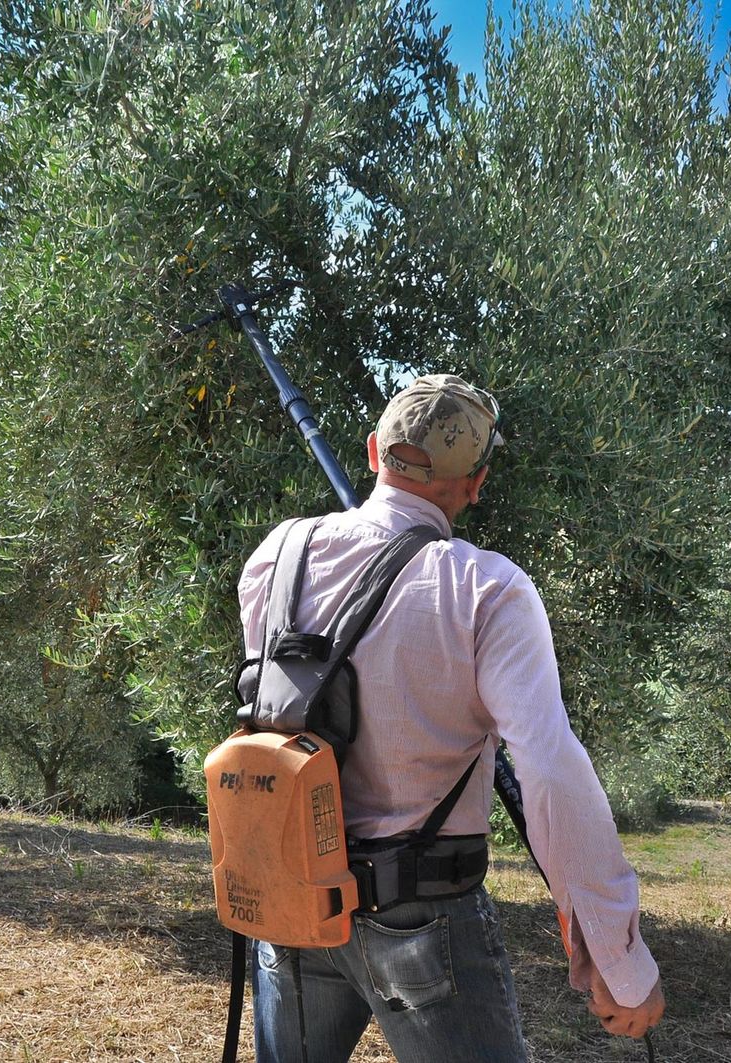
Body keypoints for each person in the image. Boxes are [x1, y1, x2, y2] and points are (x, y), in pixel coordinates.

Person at [237, 374, 664, 1062]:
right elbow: (550, 769)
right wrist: (621, 961)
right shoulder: (487, 588)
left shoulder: (274, 557)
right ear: (476, 483)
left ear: (376, 451)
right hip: (422, 913)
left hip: (291, 899)